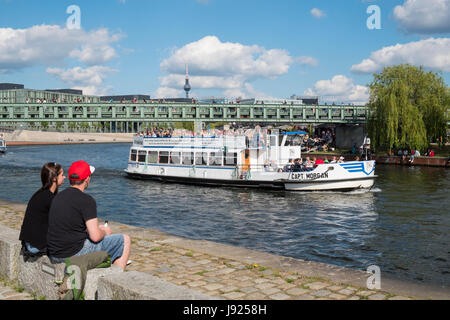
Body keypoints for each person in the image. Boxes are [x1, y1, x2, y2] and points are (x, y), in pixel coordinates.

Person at [47, 160, 131, 271]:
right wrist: (105, 232)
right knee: (124, 240)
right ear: (87, 179)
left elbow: (69, 227)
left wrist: (95, 229)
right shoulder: (87, 200)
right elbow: (95, 237)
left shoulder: (58, 197)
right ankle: (114, 278)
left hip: (54, 253)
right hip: (72, 254)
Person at [19, 163, 66, 255]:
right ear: (54, 178)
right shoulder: (50, 198)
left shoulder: (39, 194)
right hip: (36, 247)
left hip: (29, 243)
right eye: (62, 175)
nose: (65, 177)